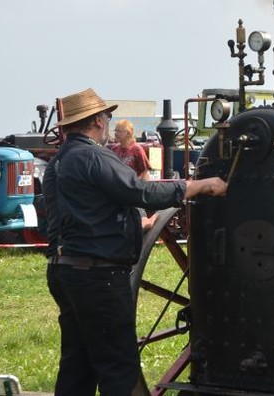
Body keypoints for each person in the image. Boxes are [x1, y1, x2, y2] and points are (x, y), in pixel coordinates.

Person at [44, 88, 227, 396]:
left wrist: (132, 224)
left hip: (64, 273)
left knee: (77, 368)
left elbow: (75, 216)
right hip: (98, 278)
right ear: (99, 121)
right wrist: (199, 186)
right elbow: (141, 192)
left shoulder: (57, 164)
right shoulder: (94, 156)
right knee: (118, 368)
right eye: (108, 118)